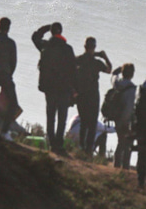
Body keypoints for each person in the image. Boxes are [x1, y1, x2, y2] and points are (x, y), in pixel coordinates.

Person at [32, 22, 77, 153]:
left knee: (50, 115)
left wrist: (46, 27)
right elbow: (73, 71)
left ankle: (52, 143)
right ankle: (59, 145)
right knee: (62, 117)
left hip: (49, 87)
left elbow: (35, 37)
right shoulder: (68, 49)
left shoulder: (45, 46)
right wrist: (75, 89)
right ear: (61, 32)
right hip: (63, 88)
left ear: (51, 32)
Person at [74, 37, 112, 154]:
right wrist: (104, 56)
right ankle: (88, 149)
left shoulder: (78, 60)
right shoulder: (97, 63)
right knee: (92, 123)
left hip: (81, 94)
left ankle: (81, 146)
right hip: (93, 95)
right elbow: (109, 70)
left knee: (83, 122)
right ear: (94, 48)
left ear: (85, 47)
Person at [111, 63, 136, 169]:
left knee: (120, 142)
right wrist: (127, 123)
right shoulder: (132, 88)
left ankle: (116, 165)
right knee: (127, 144)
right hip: (125, 120)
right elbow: (129, 107)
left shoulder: (117, 83)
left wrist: (117, 71)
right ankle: (125, 167)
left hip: (116, 117)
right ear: (132, 74)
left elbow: (113, 77)